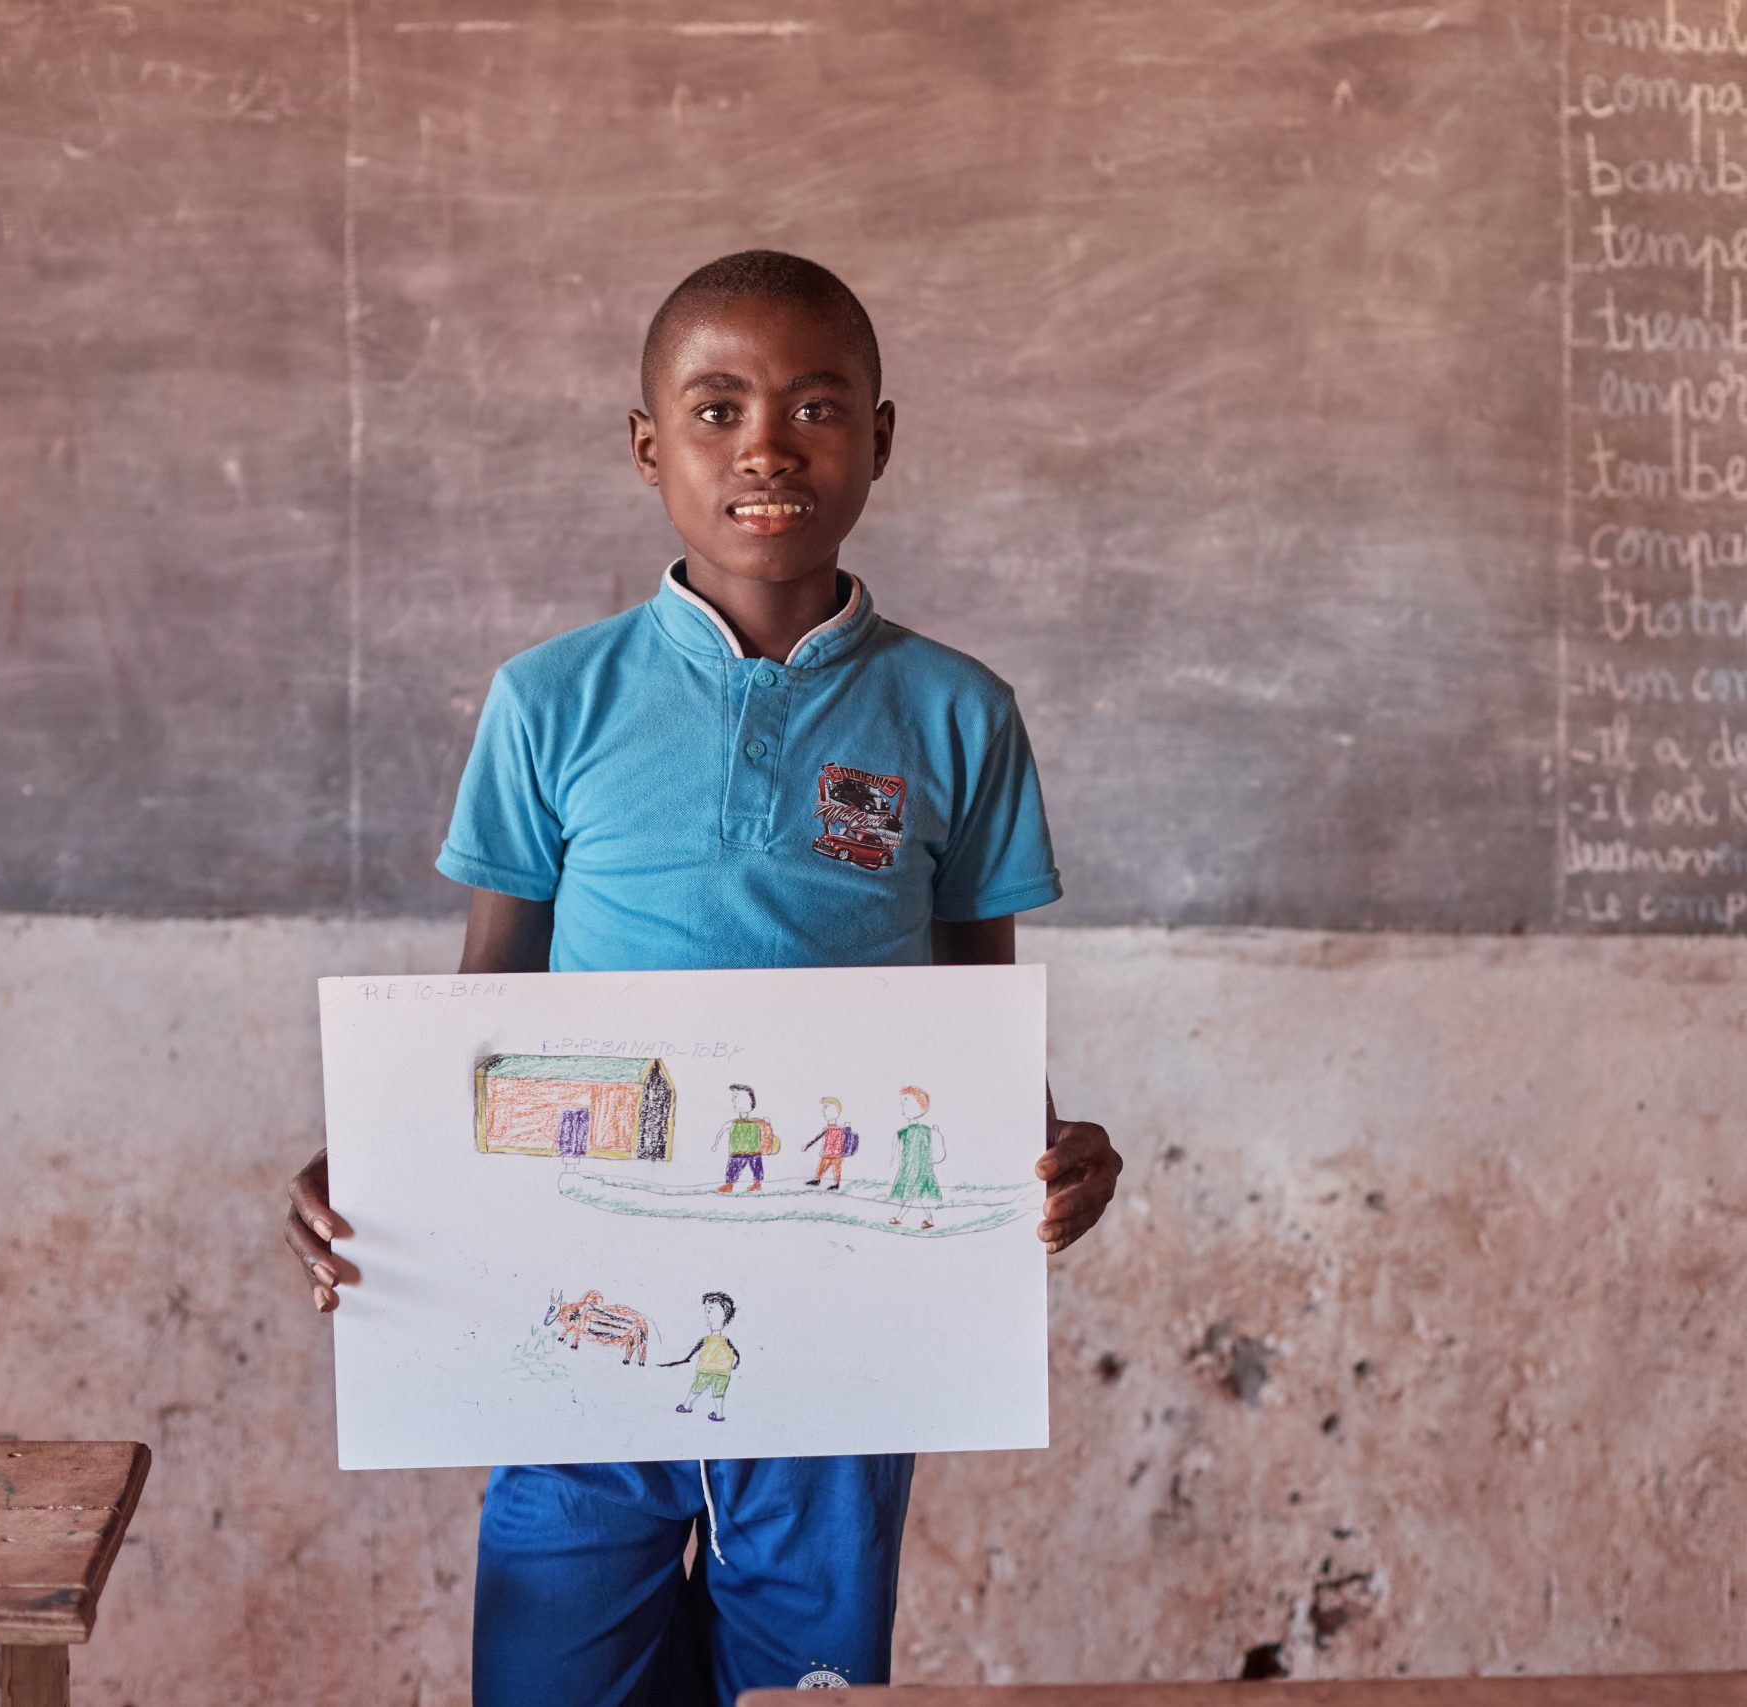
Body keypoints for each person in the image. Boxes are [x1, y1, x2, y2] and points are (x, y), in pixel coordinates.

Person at [280, 250, 1125, 1706]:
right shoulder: (552, 698)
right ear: (647, 443)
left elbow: (977, 1015)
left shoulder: (958, 713)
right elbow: (487, 1006)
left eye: (816, 406)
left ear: (882, 438)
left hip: (840, 1344)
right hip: (574, 1329)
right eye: (719, 407)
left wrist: (1048, 1158)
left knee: (804, 1692)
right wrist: (382, 1154)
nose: (768, 446)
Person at [661, 1291, 742, 1421]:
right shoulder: (710, 1340)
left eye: (710, 1310)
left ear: (725, 1314)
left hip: (708, 1369)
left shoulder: (714, 1340)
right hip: (720, 1371)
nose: (708, 1315)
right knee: (713, 1392)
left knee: (703, 1389)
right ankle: (713, 1413)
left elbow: (734, 1352)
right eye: (707, 1311)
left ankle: (691, 1407)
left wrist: (737, 1361)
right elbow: (693, 1352)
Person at [887, 1086, 946, 1230]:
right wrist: (893, 1158)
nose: (902, 1104)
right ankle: (928, 1219)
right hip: (909, 1169)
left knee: (913, 1195)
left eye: (906, 1100)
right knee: (918, 1196)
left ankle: (900, 1218)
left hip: (920, 1169)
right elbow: (895, 1144)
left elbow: (939, 1152)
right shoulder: (903, 1132)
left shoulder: (927, 1131)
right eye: (903, 1101)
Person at [710, 1083, 777, 1193]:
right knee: (733, 1167)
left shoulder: (757, 1122)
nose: (732, 1100)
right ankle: (729, 1185)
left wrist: (767, 1137)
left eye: (735, 1097)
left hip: (753, 1150)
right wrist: (715, 1144)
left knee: (756, 1167)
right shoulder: (733, 1122)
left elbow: (767, 1131)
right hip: (737, 1150)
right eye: (733, 1097)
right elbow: (723, 1129)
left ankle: (757, 1183)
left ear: (748, 1101)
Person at [807, 1095, 853, 1190]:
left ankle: (836, 1184)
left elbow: (848, 1138)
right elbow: (817, 1137)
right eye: (824, 1108)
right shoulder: (828, 1128)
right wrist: (808, 1145)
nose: (823, 1111)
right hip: (827, 1153)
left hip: (836, 1154)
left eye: (826, 1107)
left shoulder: (841, 1129)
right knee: (822, 1166)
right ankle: (817, 1179)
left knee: (836, 1169)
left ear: (836, 1111)